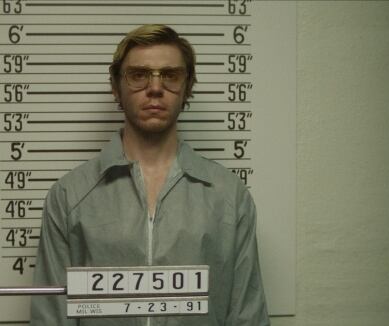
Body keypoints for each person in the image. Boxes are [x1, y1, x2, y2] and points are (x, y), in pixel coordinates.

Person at [30, 24, 269, 326]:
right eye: (139, 75)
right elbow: (51, 315)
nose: (155, 88)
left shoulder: (229, 195)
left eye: (170, 75)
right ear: (116, 87)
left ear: (187, 87)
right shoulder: (69, 196)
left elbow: (248, 314)